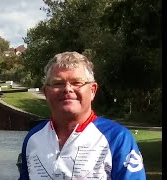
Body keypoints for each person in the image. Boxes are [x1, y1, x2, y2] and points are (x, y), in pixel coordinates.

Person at [18, 52, 146, 180]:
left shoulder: (117, 138)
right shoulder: (33, 138)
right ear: (46, 92)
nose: (67, 89)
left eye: (76, 83)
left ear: (92, 90)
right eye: (58, 83)